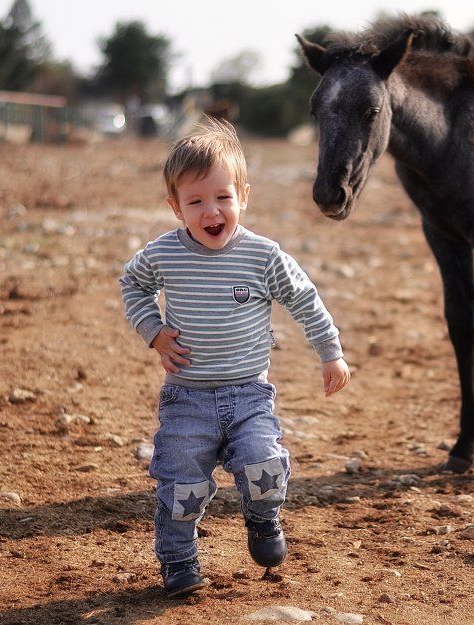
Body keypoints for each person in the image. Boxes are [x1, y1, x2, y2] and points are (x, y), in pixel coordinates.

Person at [120, 117, 350, 598]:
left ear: (243, 196)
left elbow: (305, 300)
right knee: (180, 484)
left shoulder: (263, 256)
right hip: (186, 398)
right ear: (175, 206)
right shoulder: (164, 254)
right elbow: (133, 285)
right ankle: (179, 562)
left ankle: (263, 519)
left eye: (223, 197)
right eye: (195, 202)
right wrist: (153, 332)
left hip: (249, 395)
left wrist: (330, 353)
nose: (211, 212)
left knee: (265, 467)